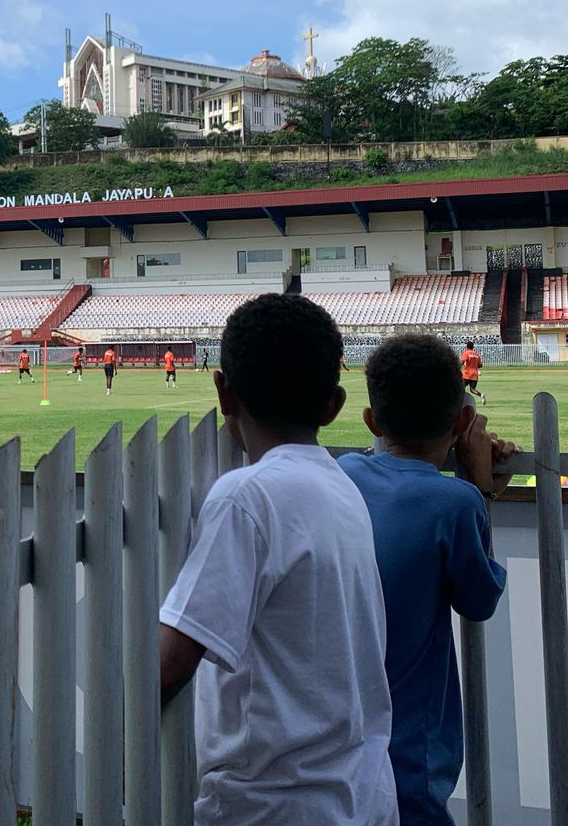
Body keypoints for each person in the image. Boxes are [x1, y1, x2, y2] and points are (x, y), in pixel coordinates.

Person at [159, 294, 397, 824]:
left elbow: (170, 664)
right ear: (333, 406)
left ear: (224, 391)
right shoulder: (341, 487)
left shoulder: (246, 495)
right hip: (360, 793)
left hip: (272, 802)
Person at [339, 334, 515, 826]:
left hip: (336, 735)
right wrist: (480, 488)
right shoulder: (454, 504)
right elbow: (479, 602)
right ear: (461, 423)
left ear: (372, 421)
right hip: (407, 748)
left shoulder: (346, 471)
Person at [459, 340, 486, 405]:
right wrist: (474, 365)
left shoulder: (466, 353)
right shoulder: (476, 354)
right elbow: (480, 365)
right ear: (473, 347)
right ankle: (481, 395)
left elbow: (462, 362)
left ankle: (460, 401)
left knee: (461, 388)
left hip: (467, 374)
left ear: (467, 347)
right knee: (472, 389)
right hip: (475, 374)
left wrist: (457, 367)